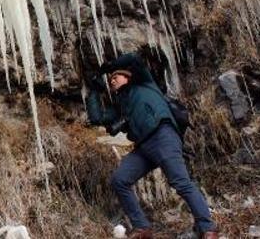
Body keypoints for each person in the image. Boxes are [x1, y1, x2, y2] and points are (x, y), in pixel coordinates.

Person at [86, 53, 218, 239]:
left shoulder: (143, 82)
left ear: (128, 76)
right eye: (110, 79)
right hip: (143, 147)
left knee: (180, 182)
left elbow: (134, 59)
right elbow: (97, 118)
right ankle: (142, 228)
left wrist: (107, 66)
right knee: (120, 180)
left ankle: (208, 228)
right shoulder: (120, 105)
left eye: (115, 77)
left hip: (162, 134)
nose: (112, 80)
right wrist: (94, 91)